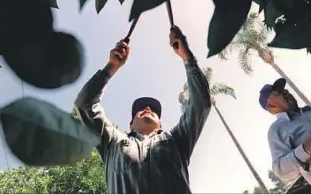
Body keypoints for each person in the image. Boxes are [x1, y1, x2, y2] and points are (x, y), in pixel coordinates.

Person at [74, 26, 211, 194]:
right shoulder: (112, 142)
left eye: (153, 110)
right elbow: (84, 104)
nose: (147, 108)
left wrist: (187, 56)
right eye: (141, 109)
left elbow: (201, 102)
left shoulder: (177, 139)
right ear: (130, 124)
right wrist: (112, 66)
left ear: (160, 124)